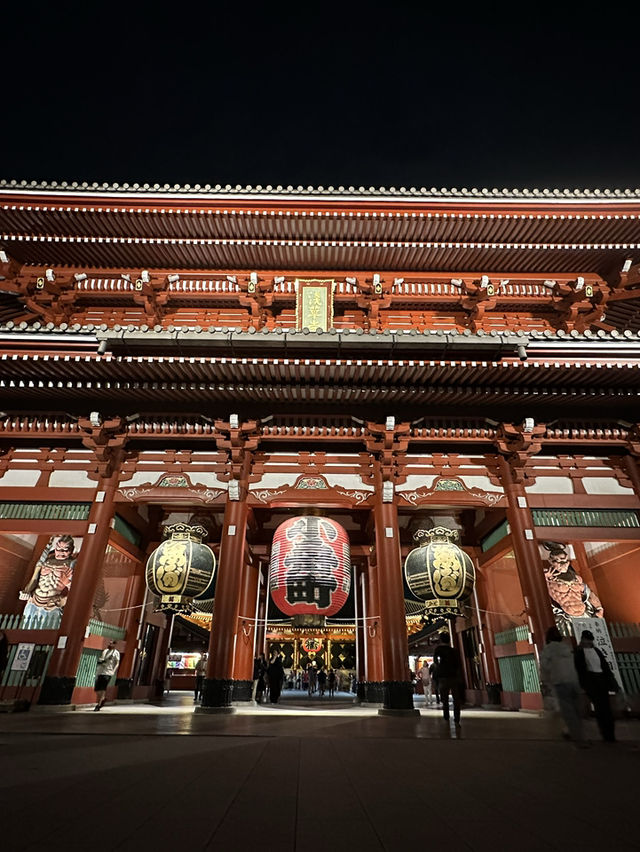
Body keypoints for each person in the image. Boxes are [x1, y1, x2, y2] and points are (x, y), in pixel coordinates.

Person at [539, 626, 586, 746]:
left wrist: (546, 680)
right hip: (574, 681)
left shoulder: (548, 650)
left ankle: (577, 738)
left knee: (568, 711)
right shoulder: (567, 648)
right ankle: (579, 733)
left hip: (560, 682)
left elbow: (544, 667)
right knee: (577, 710)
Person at [574, 629, 619, 743]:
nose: (588, 642)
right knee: (600, 707)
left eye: (589, 640)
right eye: (586, 639)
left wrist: (612, 682)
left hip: (601, 679)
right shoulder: (579, 652)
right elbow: (579, 669)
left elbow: (605, 667)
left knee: (606, 707)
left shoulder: (597, 651)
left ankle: (610, 734)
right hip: (591, 681)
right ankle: (605, 733)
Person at [21, 535, 77, 627]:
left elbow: (76, 590)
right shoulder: (46, 560)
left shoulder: (72, 564)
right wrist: (26, 591)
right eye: (58, 549)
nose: (60, 552)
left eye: (65, 550)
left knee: (46, 634)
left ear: (71, 550)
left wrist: (64, 597)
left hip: (52, 604)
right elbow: (34, 579)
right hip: (34, 600)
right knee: (26, 629)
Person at [432, 632, 464, 725]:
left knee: (444, 699)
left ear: (441, 640)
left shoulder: (438, 650)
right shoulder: (454, 651)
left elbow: (436, 662)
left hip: (443, 677)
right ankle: (457, 718)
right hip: (453, 677)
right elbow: (458, 664)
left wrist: (438, 672)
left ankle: (446, 716)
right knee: (456, 699)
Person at [94, 640, 120, 710]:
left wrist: (113, 671)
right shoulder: (105, 651)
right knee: (97, 689)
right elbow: (101, 659)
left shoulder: (116, 653)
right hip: (100, 671)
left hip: (108, 672)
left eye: (111, 643)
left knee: (103, 688)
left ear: (114, 645)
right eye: (109, 643)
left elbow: (117, 663)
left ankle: (99, 705)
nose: (109, 644)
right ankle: (103, 699)